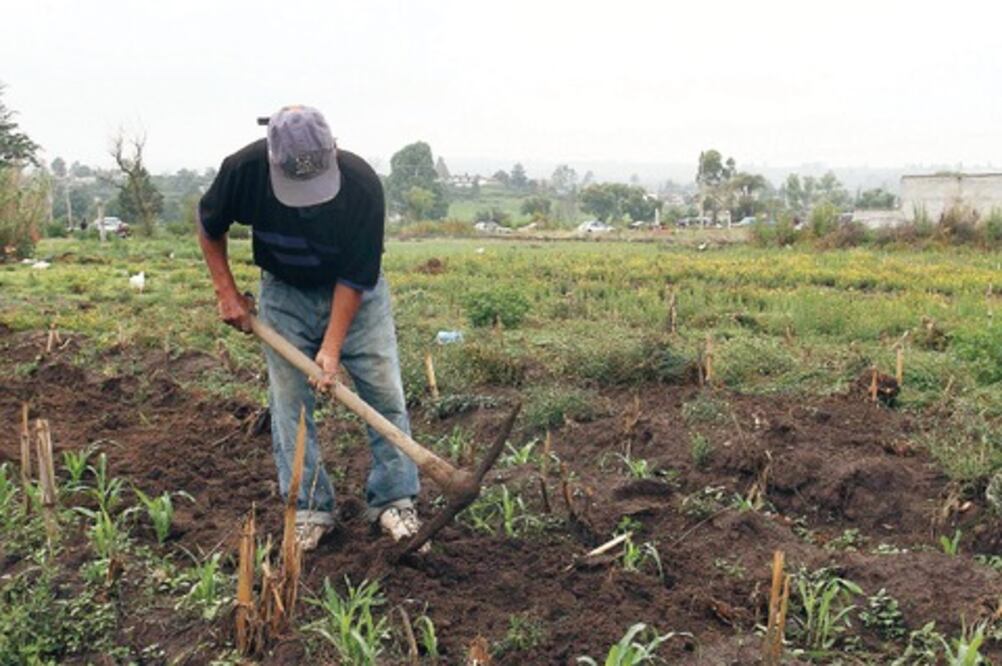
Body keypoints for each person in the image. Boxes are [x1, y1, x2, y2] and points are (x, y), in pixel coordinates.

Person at [197, 105, 421, 551]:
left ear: (332, 151)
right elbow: (209, 226)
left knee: (384, 392)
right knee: (290, 403)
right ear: (273, 160)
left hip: (358, 296)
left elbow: (356, 277)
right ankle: (309, 509)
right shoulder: (243, 171)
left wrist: (331, 349)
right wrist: (226, 292)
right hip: (284, 293)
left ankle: (395, 499)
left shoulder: (360, 186)